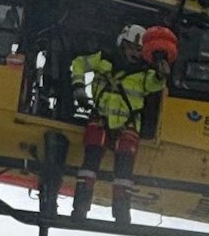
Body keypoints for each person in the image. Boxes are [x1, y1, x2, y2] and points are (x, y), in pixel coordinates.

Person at [68, 23, 178, 225]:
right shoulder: (103, 60)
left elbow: (155, 83)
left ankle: (121, 214)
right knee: (89, 165)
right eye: (131, 48)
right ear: (122, 45)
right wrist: (79, 88)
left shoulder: (145, 73)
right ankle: (80, 207)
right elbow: (79, 64)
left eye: (139, 50)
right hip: (100, 119)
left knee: (124, 171)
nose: (134, 53)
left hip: (127, 126)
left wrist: (162, 73)